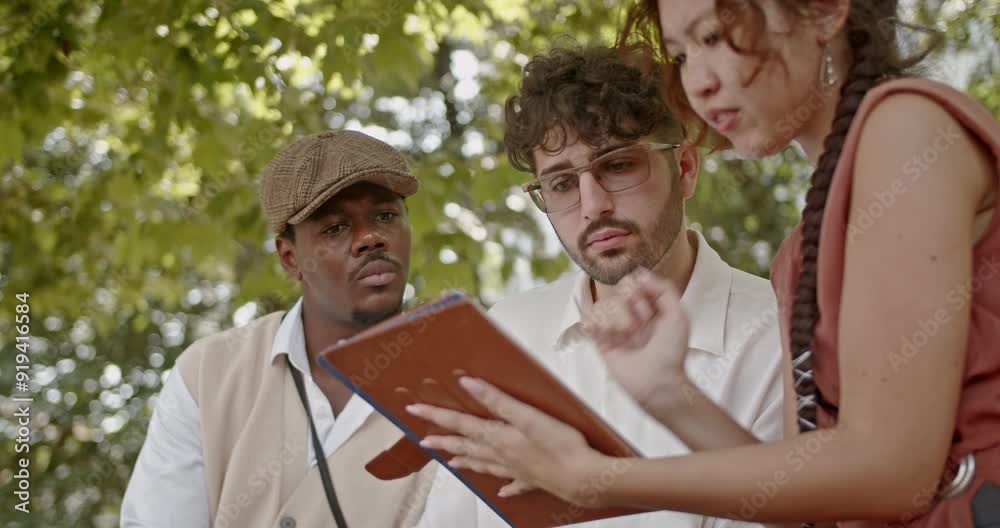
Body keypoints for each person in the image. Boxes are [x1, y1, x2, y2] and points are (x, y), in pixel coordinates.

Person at [406, 1, 1000, 527]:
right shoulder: (799, 248)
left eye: (714, 37)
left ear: (822, 10)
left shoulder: (904, 128)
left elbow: (894, 471)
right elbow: (801, 503)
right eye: (683, 54)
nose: (698, 84)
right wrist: (670, 393)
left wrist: (595, 481)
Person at [415, 45, 785, 528]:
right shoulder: (505, 331)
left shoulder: (776, 333)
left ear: (686, 169)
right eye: (563, 183)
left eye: (617, 165)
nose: (593, 205)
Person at [121, 130, 437, 527]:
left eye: (386, 216)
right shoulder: (206, 376)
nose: (370, 238)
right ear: (289, 258)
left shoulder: (466, 379)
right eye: (335, 227)